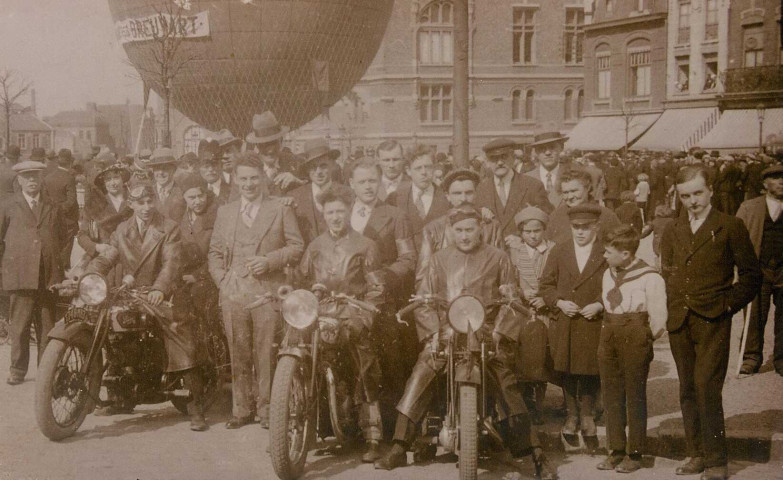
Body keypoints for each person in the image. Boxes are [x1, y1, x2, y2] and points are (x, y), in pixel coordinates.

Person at [375, 206, 555, 480]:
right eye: (458, 230)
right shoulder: (438, 259)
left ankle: (532, 454)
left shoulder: (499, 258)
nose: (464, 235)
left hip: (485, 333)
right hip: (447, 333)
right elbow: (424, 300)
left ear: (480, 229)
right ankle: (400, 445)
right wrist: (434, 331)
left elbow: (512, 299)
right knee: (421, 373)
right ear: (450, 231)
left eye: (469, 229)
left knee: (506, 383)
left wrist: (498, 334)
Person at [660, 166, 761, 480]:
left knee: (707, 387)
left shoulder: (730, 226)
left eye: (697, 193)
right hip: (680, 319)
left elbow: (751, 277)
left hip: (713, 319)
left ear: (711, 192)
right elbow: (667, 271)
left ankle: (717, 461)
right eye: (685, 195)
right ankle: (696, 454)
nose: (692, 201)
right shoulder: (672, 229)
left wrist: (726, 304)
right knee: (688, 389)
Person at [85, 183, 206, 430]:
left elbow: (171, 264)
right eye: (140, 202)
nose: (146, 207)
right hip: (133, 294)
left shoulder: (169, 227)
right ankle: (121, 395)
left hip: (166, 293)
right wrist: (92, 276)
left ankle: (195, 405)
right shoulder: (122, 229)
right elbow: (107, 256)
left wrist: (160, 289)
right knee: (113, 328)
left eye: (150, 201)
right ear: (131, 204)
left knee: (177, 332)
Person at [208, 152, 304, 430]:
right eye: (243, 179)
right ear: (235, 181)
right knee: (237, 350)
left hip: (267, 291)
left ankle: (267, 409)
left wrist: (269, 260)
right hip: (233, 292)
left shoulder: (279, 208)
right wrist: (222, 281)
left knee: (265, 352)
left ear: (263, 178)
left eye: (254, 178)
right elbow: (214, 251)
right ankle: (241, 408)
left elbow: (297, 246)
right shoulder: (225, 212)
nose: (248, 184)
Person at [299, 185, 386, 462]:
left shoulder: (365, 245)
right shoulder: (314, 246)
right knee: (304, 355)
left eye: (340, 211)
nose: (335, 217)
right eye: (330, 211)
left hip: (353, 311)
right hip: (322, 311)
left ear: (349, 211)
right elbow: (301, 281)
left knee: (364, 363)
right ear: (323, 214)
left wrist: (365, 314)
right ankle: (305, 429)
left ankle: (372, 435)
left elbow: (376, 289)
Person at [597, 225, 667, 473]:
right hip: (610, 332)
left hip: (634, 334)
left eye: (608, 252)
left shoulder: (650, 276)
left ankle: (635, 453)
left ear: (625, 253)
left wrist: (643, 337)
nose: (604, 256)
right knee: (611, 394)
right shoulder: (609, 273)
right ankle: (615, 449)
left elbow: (659, 318)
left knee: (634, 395)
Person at [347, 159, 417, 407]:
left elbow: (408, 258)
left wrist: (383, 278)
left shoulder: (396, 216)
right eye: (362, 181)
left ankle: (389, 427)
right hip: (348, 297)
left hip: (382, 298)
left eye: (372, 181)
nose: (368, 187)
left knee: (387, 361)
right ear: (351, 184)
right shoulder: (339, 213)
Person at [539, 204, 608, 453]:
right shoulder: (560, 250)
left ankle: (587, 416)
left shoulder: (605, 251)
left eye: (585, 228)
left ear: (596, 227)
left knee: (589, 368)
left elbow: (616, 284)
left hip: (591, 320)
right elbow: (545, 285)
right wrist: (558, 301)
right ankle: (571, 415)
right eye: (576, 227)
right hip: (566, 320)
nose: (580, 232)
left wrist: (600, 304)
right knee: (567, 369)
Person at [2, 160, 64, 385]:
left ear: (41, 179)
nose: (31, 181)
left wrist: (58, 267)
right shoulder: (8, 205)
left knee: (47, 326)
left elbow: (63, 237)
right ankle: (17, 370)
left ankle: (46, 371)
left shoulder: (52, 205)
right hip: (20, 274)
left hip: (47, 276)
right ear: (19, 180)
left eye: (35, 176)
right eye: (27, 177)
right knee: (19, 325)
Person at [416, 168, 504, 289]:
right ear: (447, 196)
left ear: (476, 194)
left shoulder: (491, 226)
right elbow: (422, 279)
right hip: (448, 302)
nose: (463, 198)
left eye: (469, 192)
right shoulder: (433, 229)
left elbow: (502, 270)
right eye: (457, 193)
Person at [507, 206, 556, 426]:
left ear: (544, 230)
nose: (533, 236)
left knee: (542, 358)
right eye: (528, 232)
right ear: (521, 233)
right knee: (523, 357)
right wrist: (521, 292)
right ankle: (525, 403)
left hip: (546, 309)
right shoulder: (514, 253)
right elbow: (508, 282)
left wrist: (545, 297)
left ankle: (539, 403)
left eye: (537, 231)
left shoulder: (553, 250)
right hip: (522, 312)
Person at [736, 164, 783, 376]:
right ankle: (751, 357)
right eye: (775, 178)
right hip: (759, 269)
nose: (781, 182)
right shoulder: (750, 207)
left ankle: (781, 359)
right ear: (765, 184)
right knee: (755, 315)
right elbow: (736, 239)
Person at [476, 137, 552, 237]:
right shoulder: (481, 188)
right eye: (494, 158)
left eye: (504, 157)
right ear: (487, 162)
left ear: (513, 157)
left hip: (523, 250)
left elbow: (547, 222)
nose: (499, 163)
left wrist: (522, 239)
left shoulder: (533, 186)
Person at [75, 162, 133, 283]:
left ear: (123, 179)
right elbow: (82, 235)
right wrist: (96, 246)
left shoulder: (134, 203)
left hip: (131, 262)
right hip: (104, 263)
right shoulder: (94, 206)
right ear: (104, 183)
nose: (113, 183)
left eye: (116, 178)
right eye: (108, 179)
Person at [386, 145, 450, 250]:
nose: (424, 172)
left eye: (428, 167)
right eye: (418, 168)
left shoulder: (446, 197)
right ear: (408, 171)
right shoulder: (395, 198)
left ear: (434, 168)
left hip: (438, 262)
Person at [546, 169, 621, 245]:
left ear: (587, 188)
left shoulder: (606, 215)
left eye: (574, 191)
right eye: (565, 192)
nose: (570, 197)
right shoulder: (556, 215)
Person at [290, 138, 338, 244]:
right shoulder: (295, 196)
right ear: (307, 169)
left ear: (332, 165)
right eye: (313, 167)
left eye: (323, 166)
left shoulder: (346, 193)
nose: (318, 172)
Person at [246, 111, 303, 194]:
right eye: (265, 144)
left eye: (273, 143)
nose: (270, 150)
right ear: (257, 145)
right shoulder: (247, 168)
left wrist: (298, 182)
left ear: (281, 141)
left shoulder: (295, 162)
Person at [43, 148, 79, 269]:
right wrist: (60, 210)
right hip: (67, 220)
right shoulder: (69, 178)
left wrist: (53, 211)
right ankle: (63, 275)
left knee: (55, 247)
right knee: (66, 250)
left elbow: (45, 199)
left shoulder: (48, 177)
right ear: (70, 162)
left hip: (51, 219)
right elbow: (71, 201)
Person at [526, 132, 569, 207]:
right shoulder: (526, 179)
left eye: (552, 147)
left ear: (561, 148)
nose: (548, 152)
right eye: (542, 148)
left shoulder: (572, 175)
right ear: (536, 152)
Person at [148, 147, 187, 222]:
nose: (160, 172)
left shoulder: (183, 191)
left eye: (165, 168)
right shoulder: (148, 191)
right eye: (157, 168)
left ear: (174, 170)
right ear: (153, 171)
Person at [197, 139, 236, 206]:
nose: (211, 169)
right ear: (199, 168)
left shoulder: (232, 190)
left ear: (220, 165)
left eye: (214, 164)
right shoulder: (194, 192)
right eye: (206, 166)